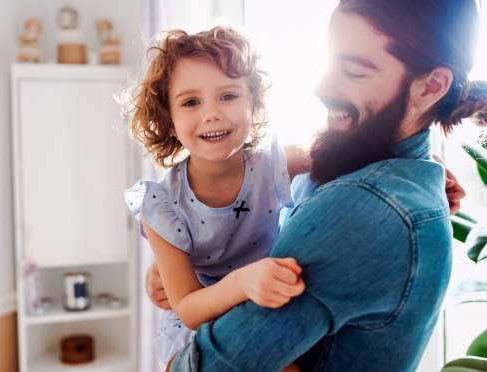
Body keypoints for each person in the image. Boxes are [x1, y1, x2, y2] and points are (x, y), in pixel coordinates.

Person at [158, 0, 485, 371]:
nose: (320, 86)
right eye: (330, 62)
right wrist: (185, 271)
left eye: (353, 71)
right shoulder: (380, 167)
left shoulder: (360, 207)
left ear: (431, 88)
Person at [121, 26, 308, 372]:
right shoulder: (160, 205)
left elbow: (349, 154)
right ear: (171, 121)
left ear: (253, 103)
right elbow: (188, 308)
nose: (212, 113)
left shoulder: (276, 164)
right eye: (191, 102)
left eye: (229, 96)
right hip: (200, 319)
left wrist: (425, 164)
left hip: (265, 302)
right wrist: (243, 281)